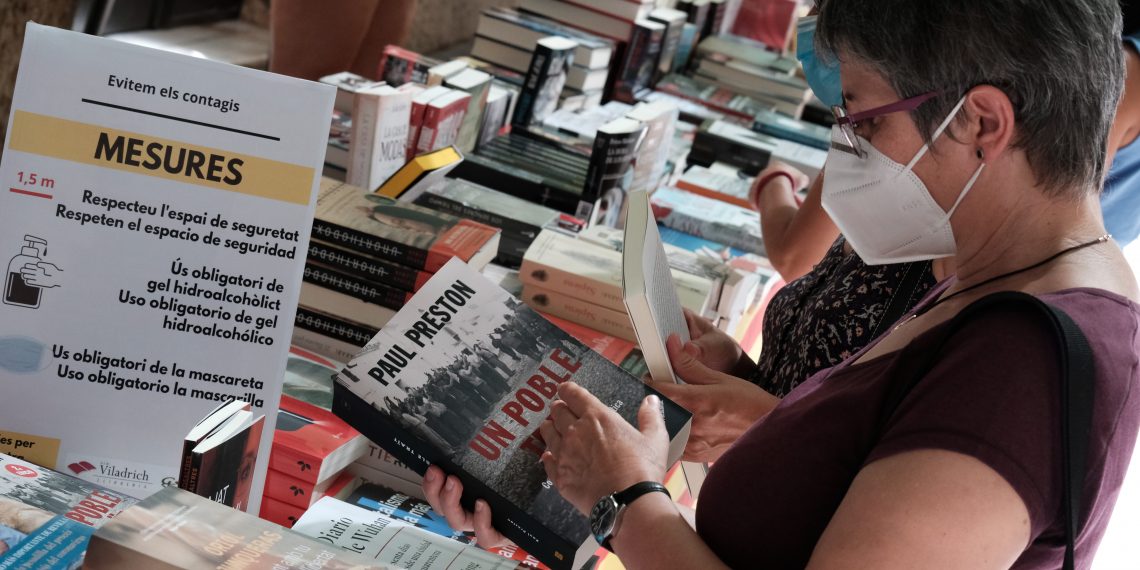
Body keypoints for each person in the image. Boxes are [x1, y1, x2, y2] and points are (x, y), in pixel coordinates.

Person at [425, 2, 1140, 568]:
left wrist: (623, 498)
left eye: (861, 119)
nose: (845, 147)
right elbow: (857, 461)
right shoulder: (983, 272)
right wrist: (751, 389)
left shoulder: (1024, 365)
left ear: (981, 121)